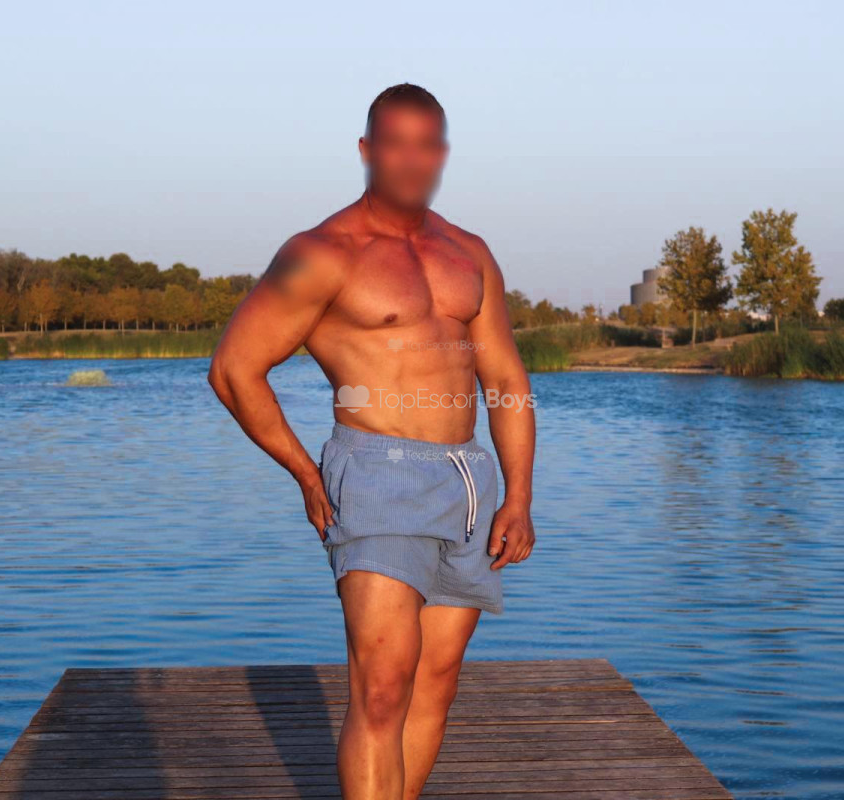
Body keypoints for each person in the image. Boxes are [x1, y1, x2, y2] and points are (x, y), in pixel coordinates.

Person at [207, 82, 536, 799]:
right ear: (366, 150)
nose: (413, 159)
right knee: (382, 688)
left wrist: (519, 496)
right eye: (395, 144)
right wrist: (305, 471)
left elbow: (506, 377)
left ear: (443, 153)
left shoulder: (469, 252)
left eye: (428, 144)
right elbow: (234, 369)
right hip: (377, 474)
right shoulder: (321, 253)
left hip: (468, 481)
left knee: (435, 680)